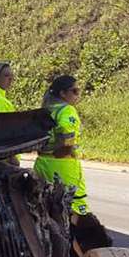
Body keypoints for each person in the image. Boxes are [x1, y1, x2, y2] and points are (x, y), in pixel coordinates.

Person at [34, 75, 88, 217]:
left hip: (42, 163)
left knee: (46, 210)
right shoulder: (67, 110)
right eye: (75, 91)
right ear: (63, 93)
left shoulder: (46, 110)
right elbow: (67, 134)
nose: (78, 95)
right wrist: (65, 149)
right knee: (76, 211)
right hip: (63, 167)